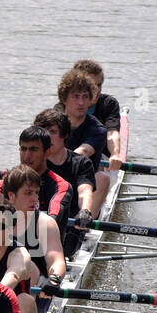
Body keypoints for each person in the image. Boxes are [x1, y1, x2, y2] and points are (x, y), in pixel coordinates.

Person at [0, 127, 74, 238]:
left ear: (47, 152)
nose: (27, 156)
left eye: (33, 150)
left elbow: (53, 217)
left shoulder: (60, 186)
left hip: (45, 248)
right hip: (13, 247)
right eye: (23, 149)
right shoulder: (5, 184)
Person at [32, 107, 95, 254]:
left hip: (70, 224)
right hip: (35, 223)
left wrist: (85, 210)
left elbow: (84, 191)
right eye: (43, 132)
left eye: (52, 132)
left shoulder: (81, 163)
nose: (47, 137)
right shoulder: (33, 163)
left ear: (65, 134)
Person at [73, 59, 123, 213]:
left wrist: (115, 154)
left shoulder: (108, 104)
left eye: (99, 85)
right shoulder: (63, 107)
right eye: (91, 85)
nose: (97, 89)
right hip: (71, 159)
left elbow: (111, 133)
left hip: (102, 161)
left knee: (99, 172)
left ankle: (85, 227)